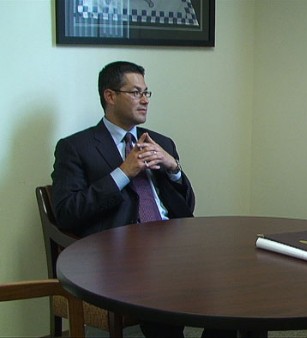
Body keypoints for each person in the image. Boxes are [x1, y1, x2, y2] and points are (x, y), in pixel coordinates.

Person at [51, 61, 235, 338]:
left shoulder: (161, 142)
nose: (145, 100)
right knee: (163, 297)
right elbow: (67, 212)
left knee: (239, 290)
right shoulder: (75, 148)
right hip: (121, 257)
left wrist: (173, 168)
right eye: (136, 93)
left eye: (147, 93)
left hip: (177, 247)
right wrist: (124, 172)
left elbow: (187, 206)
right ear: (110, 96)